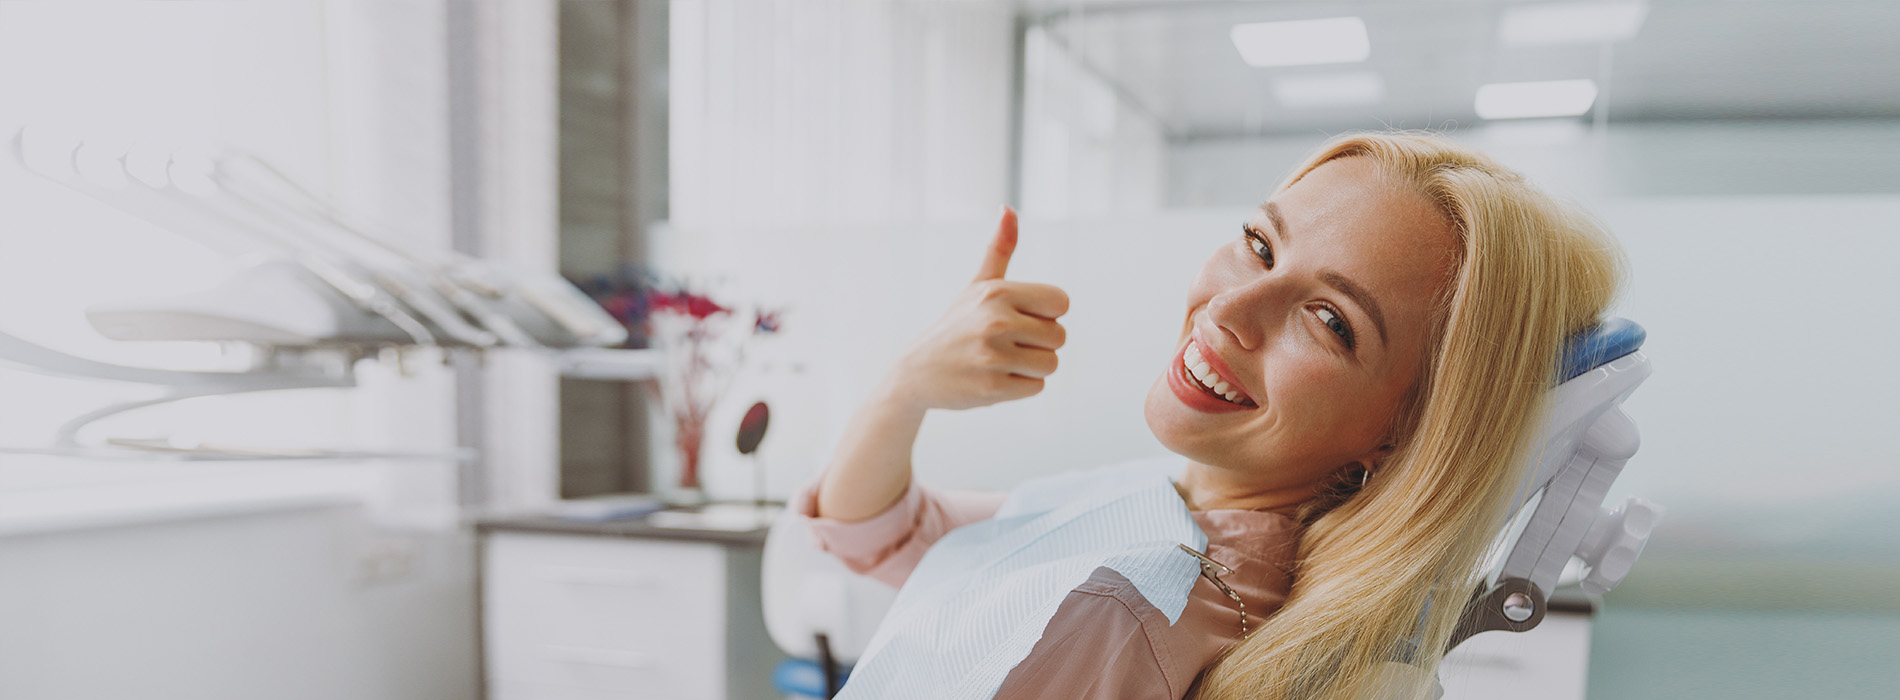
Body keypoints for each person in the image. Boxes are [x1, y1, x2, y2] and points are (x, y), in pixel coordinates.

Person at [794, 130, 1625, 700]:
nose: (1231, 307)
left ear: (1406, 432)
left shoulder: (1124, 604)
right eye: (1261, 244)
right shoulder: (1169, 506)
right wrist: (906, 389)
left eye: (1330, 322)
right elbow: (886, 534)